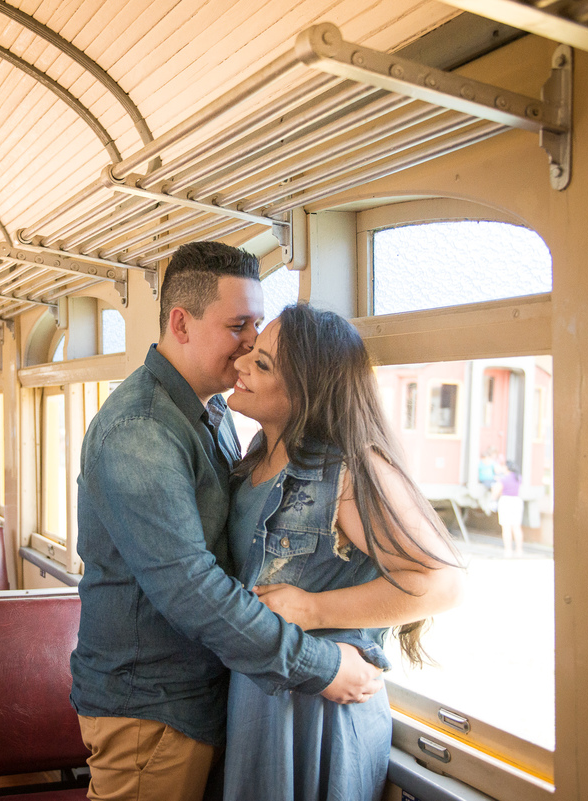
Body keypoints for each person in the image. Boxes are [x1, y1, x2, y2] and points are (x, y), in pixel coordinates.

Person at [71, 242, 384, 801]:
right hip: (153, 709)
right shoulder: (141, 431)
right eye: (238, 325)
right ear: (180, 324)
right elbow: (191, 588)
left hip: (202, 696)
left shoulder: (210, 409)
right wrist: (323, 666)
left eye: (257, 324)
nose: (252, 342)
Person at [223, 303, 465, 801]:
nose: (240, 363)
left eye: (262, 364)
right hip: (260, 701)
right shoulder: (254, 460)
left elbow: (442, 583)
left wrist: (313, 609)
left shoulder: (349, 470)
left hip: (320, 713)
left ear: (305, 393)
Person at [493, 461, 525, 556]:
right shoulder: (518, 477)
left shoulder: (503, 479)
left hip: (506, 501)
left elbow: (496, 491)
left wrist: (493, 499)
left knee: (506, 527)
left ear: (506, 468)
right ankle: (519, 550)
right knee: (516, 527)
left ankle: (508, 550)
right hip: (517, 501)